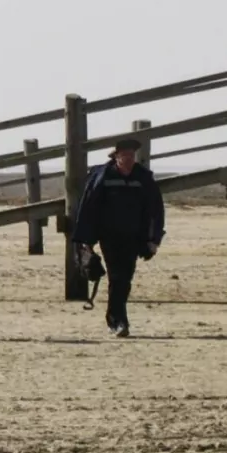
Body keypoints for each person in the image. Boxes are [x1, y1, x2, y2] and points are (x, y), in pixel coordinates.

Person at [72, 137, 164, 338]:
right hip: (109, 236)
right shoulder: (102, 178)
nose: (129, 159)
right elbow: (88, 208)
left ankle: (116, 318)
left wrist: (154, 239)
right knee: (117, 276)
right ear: (116, 157)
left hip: (134, 237)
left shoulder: (143, 178)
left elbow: (156, 210)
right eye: (125, 155)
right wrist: (85, 239)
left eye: (132, 155)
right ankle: (118, 321)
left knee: (125, 277)